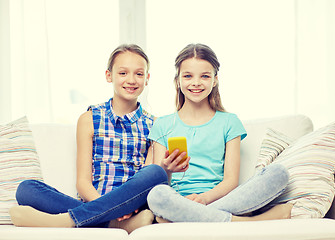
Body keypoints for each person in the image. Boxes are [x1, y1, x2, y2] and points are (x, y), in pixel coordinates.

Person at [9, 44, 168, 232]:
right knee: (27, 189)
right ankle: (113, 223)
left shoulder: (155, 124)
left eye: (139, 74)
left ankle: (68, 220)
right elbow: (82, 182)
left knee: (157, 174)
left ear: (147, 78)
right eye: (123, 73)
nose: (131, 80)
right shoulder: (89, 119)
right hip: (95, 200)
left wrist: (126, 206)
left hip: (131, 205)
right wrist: (110, 210)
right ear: (109, 75)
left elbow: (146, 178)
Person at [147, 43, 293, 223]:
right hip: (176, 201)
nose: (196, 82)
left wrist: (204, 199)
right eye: (188, 76)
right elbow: (157, 183)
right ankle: (244, 222)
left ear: (215, 80)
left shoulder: (229, 122)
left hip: (220, 200)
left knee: (278, 173)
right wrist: (168, 170)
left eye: (205, 76)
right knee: (156, 195)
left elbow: (231, 181)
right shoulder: (162, 124)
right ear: (177, 80)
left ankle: (187, 218)